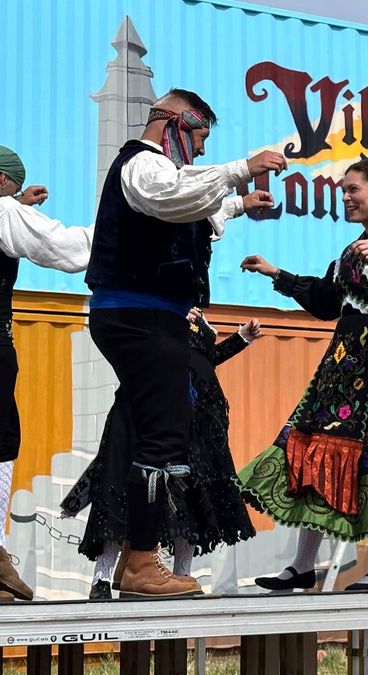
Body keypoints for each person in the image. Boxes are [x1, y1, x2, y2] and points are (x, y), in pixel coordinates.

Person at [83, 88, 283, 597]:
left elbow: (194, 205)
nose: (198, 152)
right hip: (139, 314)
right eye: (198, 137)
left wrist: (238, 202)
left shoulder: (163, 173)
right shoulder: (141, 164)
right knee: (163, 437)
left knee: (164, 432)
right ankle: (141, 564)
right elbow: (171, 194)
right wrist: (242, 166)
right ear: (175, 121)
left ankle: (137, 559)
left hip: (150, 316)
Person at [238, 158, 368, 592]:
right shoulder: (352, 250)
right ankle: (302, 565)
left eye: (353, 190)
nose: (345, 197)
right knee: (313, 449)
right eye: (343, 190)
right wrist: (277, 273)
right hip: (345, 365)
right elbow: (328, 301)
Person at [62, 308, 263, 599]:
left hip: (197, 419)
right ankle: (102, 579)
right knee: (120, 483)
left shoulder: (200, 319)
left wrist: (240, 339)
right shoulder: (153, 309)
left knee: (189, 493)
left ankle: (183, 575)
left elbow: (202, 361)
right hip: (146, 407)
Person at [0, 144, 94, 602]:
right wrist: (127, 225)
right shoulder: (4, 211)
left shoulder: (7, 209)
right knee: (2, 442)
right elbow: (70, 250)